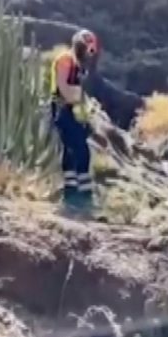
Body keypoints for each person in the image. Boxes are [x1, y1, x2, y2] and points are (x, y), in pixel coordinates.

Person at [50, 29, 100, 213]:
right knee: (79, 149)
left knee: (72, 150)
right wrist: (79, 96)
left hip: (74, 110)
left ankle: (72, 191)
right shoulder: (65, 60)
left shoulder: (79, 66)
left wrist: (88, 111)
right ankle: (82, 194)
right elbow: (64, 88)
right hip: (63, 109)